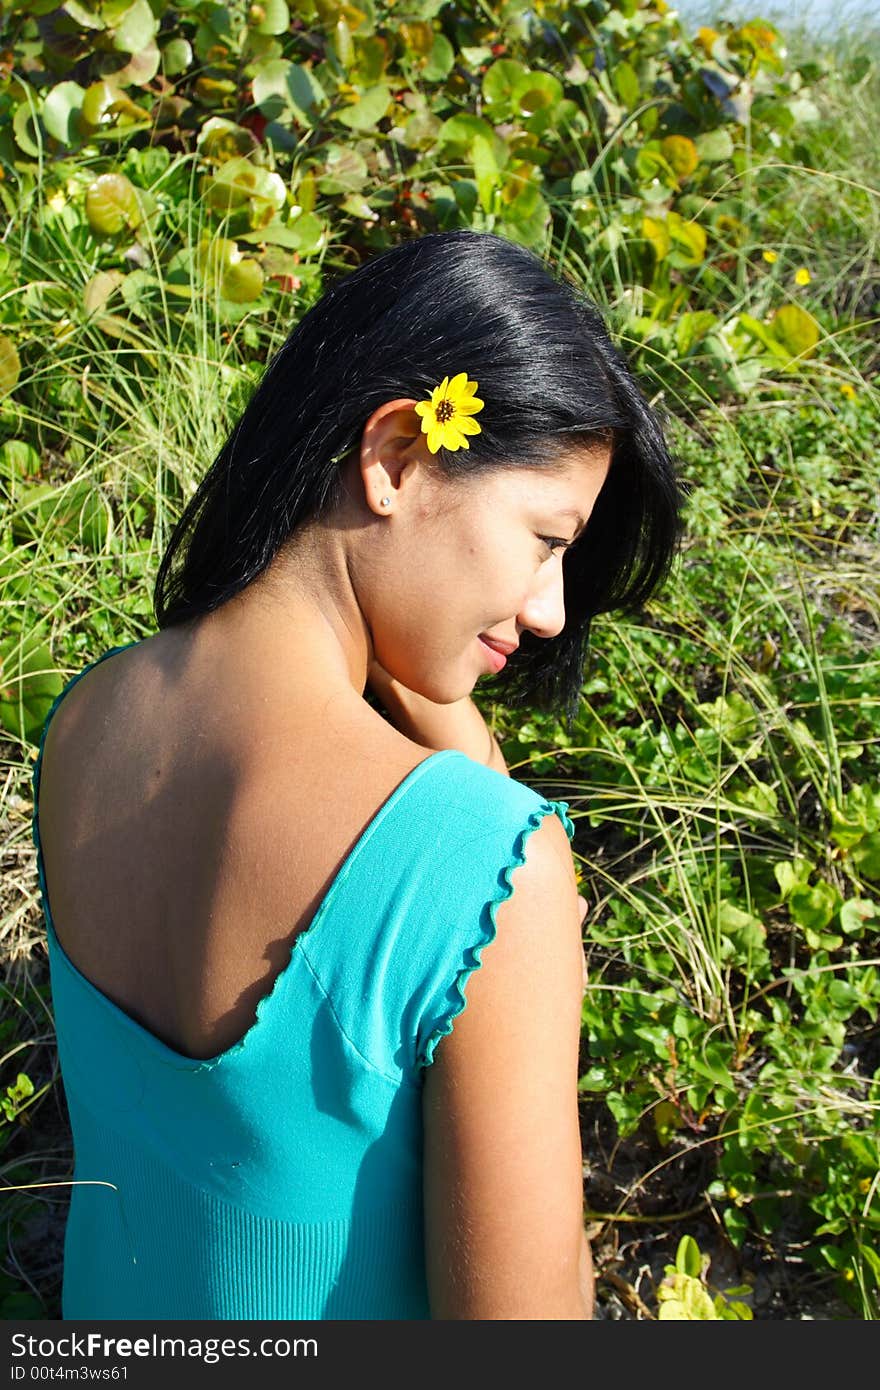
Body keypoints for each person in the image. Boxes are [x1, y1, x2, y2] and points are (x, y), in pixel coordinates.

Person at [32, 229, 681, 1320]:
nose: (550, 608)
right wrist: (503, 828)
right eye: (543, 539)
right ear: (391, 458)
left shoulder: (88, 716)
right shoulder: (485, 873)